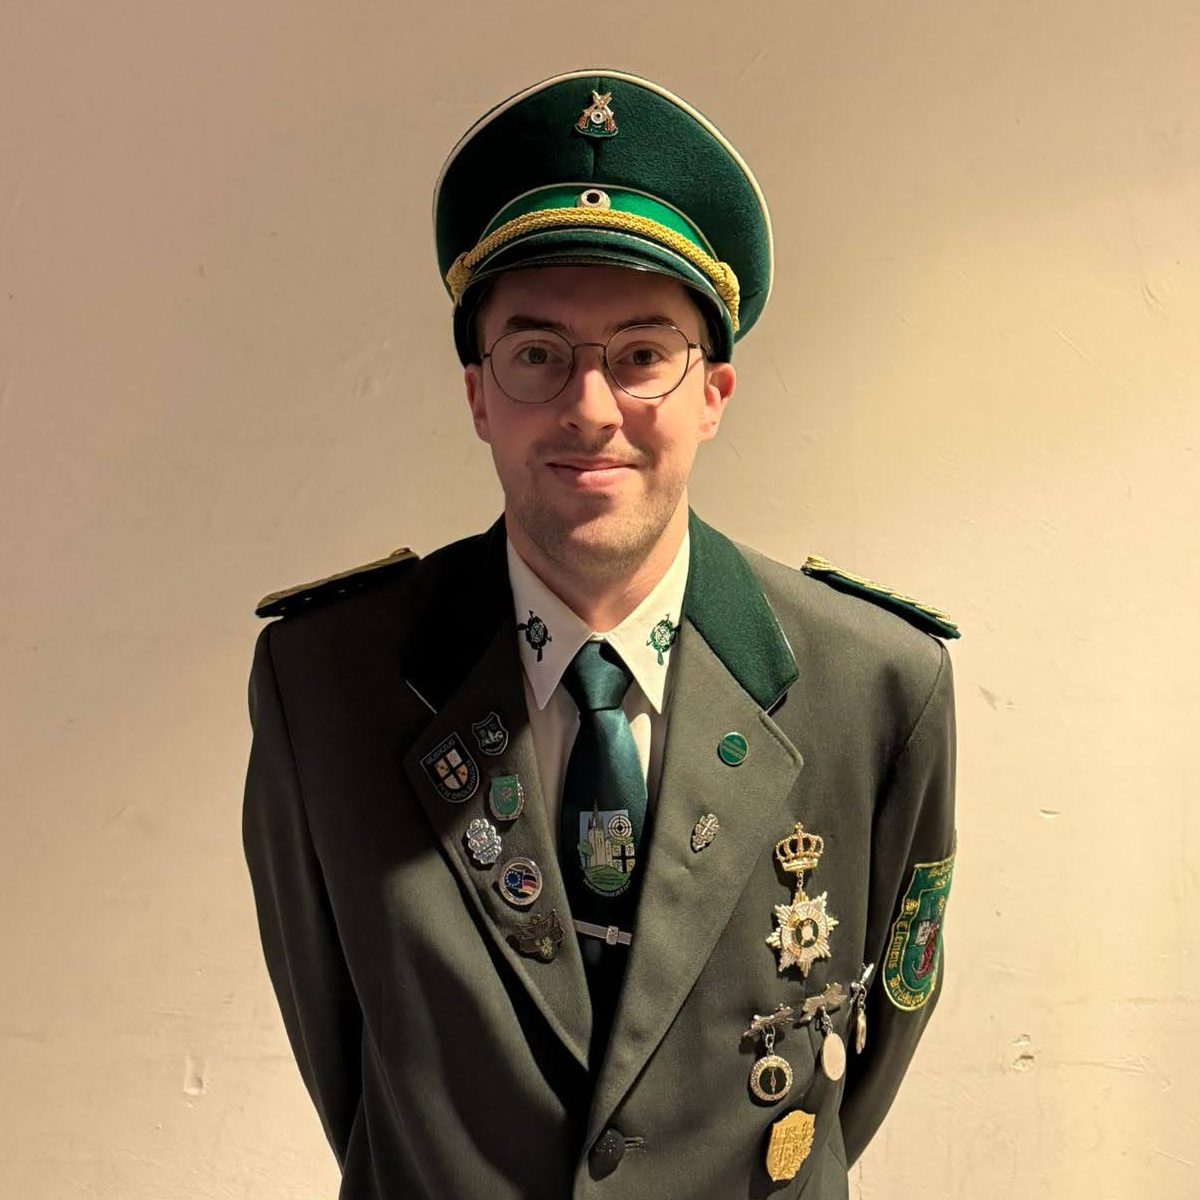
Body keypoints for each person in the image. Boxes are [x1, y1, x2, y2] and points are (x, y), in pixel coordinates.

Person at [242, 69, 959, 1199]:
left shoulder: (875, 683)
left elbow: (864, 1061)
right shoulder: (327, 681)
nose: (589, 408)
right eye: (537, 354)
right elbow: (343, 1059)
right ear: (478, 396)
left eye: (641, 355)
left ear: (714, 393)